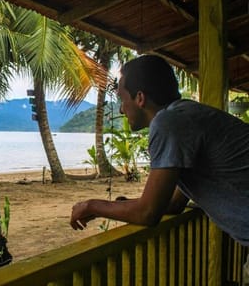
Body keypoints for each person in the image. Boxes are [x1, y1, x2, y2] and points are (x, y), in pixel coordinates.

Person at [70, 55, 249, 247]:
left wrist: (92, 206)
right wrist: (123, 205)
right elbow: (174, 203)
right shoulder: (189, 115)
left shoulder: (169, 123)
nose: (121, 110)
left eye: (122, 99)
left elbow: (148, 213)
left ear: (140, 98)